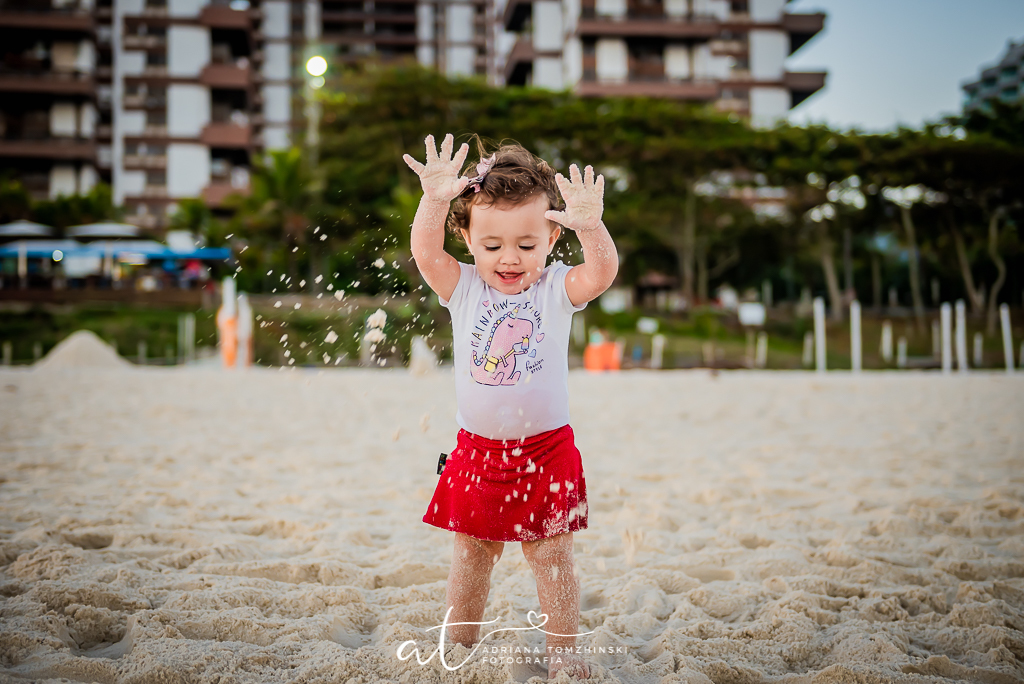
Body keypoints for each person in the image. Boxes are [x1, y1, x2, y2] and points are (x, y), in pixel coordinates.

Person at [403, 133, 619, 679]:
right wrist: (434, 201)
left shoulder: (554, 289)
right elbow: (425, 253)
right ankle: (458, 643)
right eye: (493, 243)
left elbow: (601, 275)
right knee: (471, 556)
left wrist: (591, 226)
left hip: (546, 451)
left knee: (551, 557)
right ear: (469, 238)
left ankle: (564, 651)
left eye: (527, 243)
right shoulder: (463, 287)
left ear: (551, 235)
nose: (509, 257)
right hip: (476, 452)